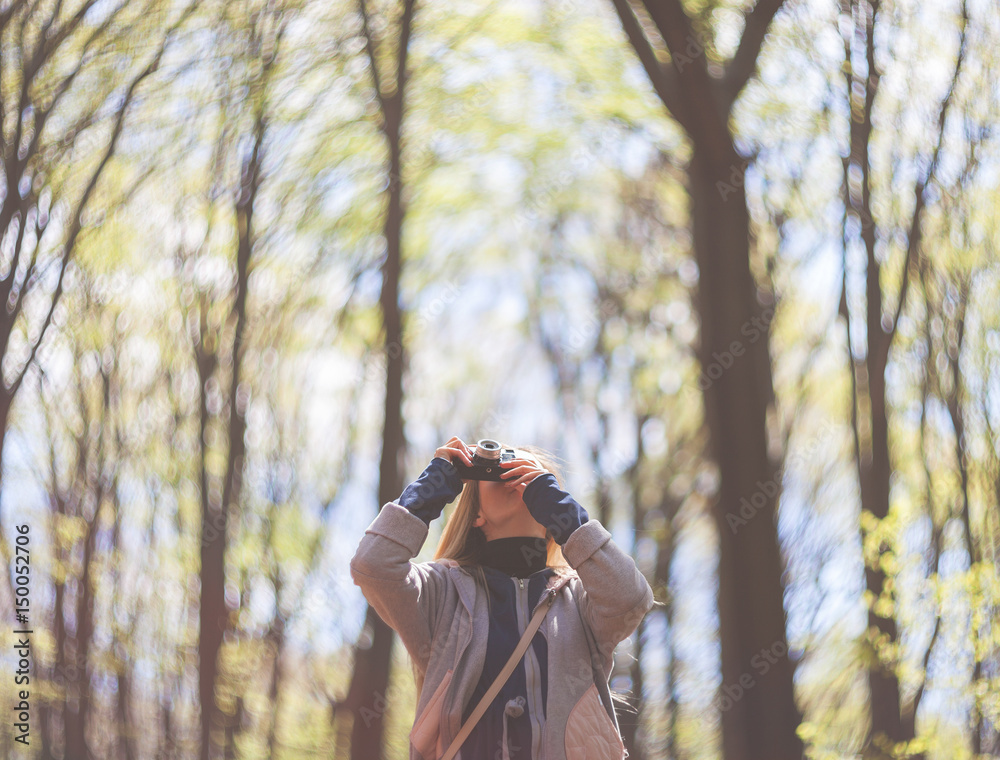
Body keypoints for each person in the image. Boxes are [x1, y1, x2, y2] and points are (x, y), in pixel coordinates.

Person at [350, 436, 655, 760]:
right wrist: (433, 484)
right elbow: (373, 566)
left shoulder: (580, 600)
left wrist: (561, 510)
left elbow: (631, 598)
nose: (517, 475)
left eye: (533, 476)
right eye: (500, 468)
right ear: (476, 514)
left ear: (550, 518)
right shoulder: (441, 593)